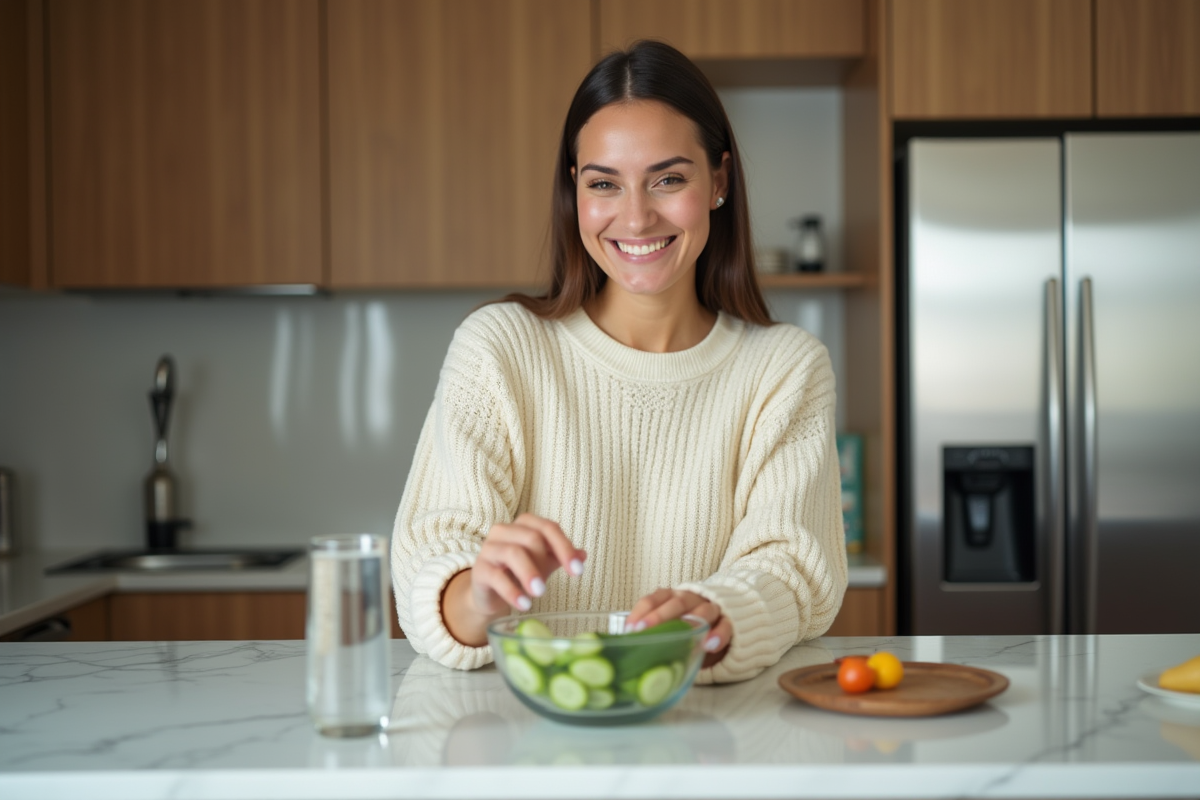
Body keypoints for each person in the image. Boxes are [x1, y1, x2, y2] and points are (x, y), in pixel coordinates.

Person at [391, 40, 847, 684]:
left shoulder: (785, 369)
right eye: (604, 183)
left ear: (718, 181)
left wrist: (718, 614)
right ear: (573, 190)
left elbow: (791, 565)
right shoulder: (500, 347)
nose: (635, 217)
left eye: (668, 179)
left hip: (711, 738)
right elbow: (433, 556)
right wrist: (479, 595)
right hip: (526, 739)